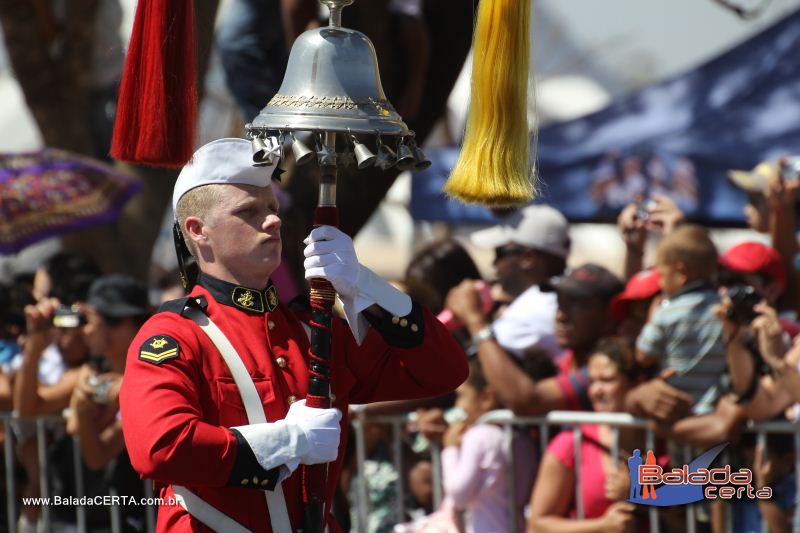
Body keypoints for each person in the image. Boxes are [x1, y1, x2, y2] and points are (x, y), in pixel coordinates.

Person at [118, 138, 468, 532]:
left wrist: (366, 285)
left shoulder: (309, 330)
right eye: (249, 212)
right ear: (199, 231)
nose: (273, 220)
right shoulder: (177, 335)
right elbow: (160, 447)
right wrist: (288, 440)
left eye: (271, 207)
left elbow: (443, 371)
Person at [445, 263, 623, 415]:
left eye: (578, 306)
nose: (561, 316)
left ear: (609, 316)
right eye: (560, 303)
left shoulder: (605, 372)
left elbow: (527, 401)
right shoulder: (564, 362)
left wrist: (475, 321)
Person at [527, 336, 657, 533]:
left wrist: (643, 496)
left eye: (606, 380)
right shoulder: (570, 443)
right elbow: (536, 526)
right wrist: (602, 527)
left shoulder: (664, 441)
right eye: (592, 381)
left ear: (637, 383)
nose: (595, 391)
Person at [636, 224, 726, 414]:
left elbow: (643, 356)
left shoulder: (666, 313)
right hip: (715, 411)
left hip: (678, 411)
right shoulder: (725, 309)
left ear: (681, 272)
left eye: (661, 274)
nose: (659, 283)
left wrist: (651, 319)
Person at [467, 204, 571, 356]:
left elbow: (469, 372)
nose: (494, 263)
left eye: (499, 253)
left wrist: (472, 317)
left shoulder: (532, 311)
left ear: (528, 259)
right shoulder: (560, 297)